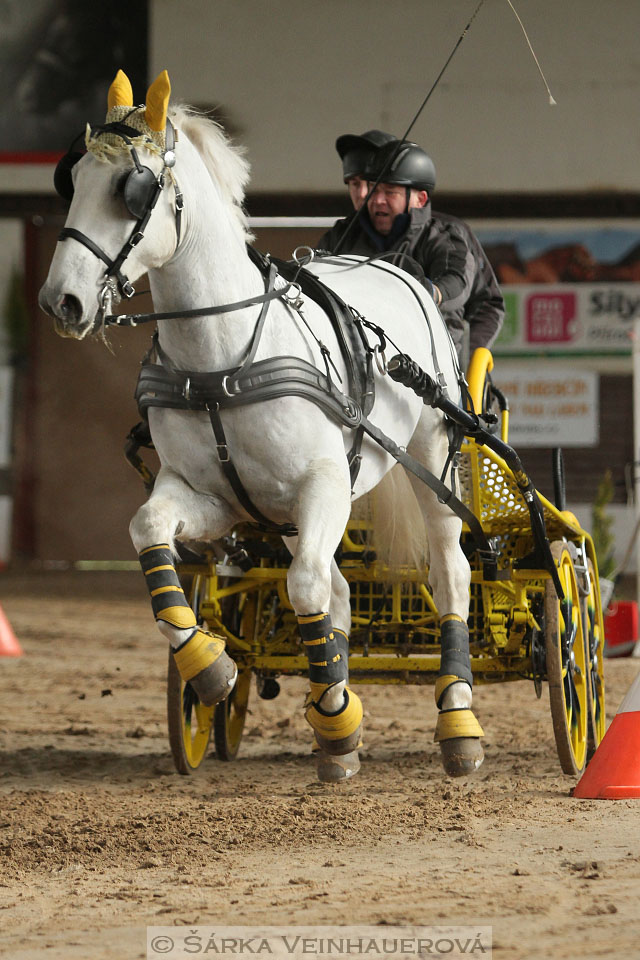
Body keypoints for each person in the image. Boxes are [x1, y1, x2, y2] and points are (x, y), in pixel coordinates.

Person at [318, 135, 504, 363]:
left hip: (433, 368)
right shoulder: (342, 235)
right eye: (372, 190)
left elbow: (458, 281)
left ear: (420, 198)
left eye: (390, 192)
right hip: (357, 363)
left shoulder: (445, 235)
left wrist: (431, 293)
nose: (377, 200)